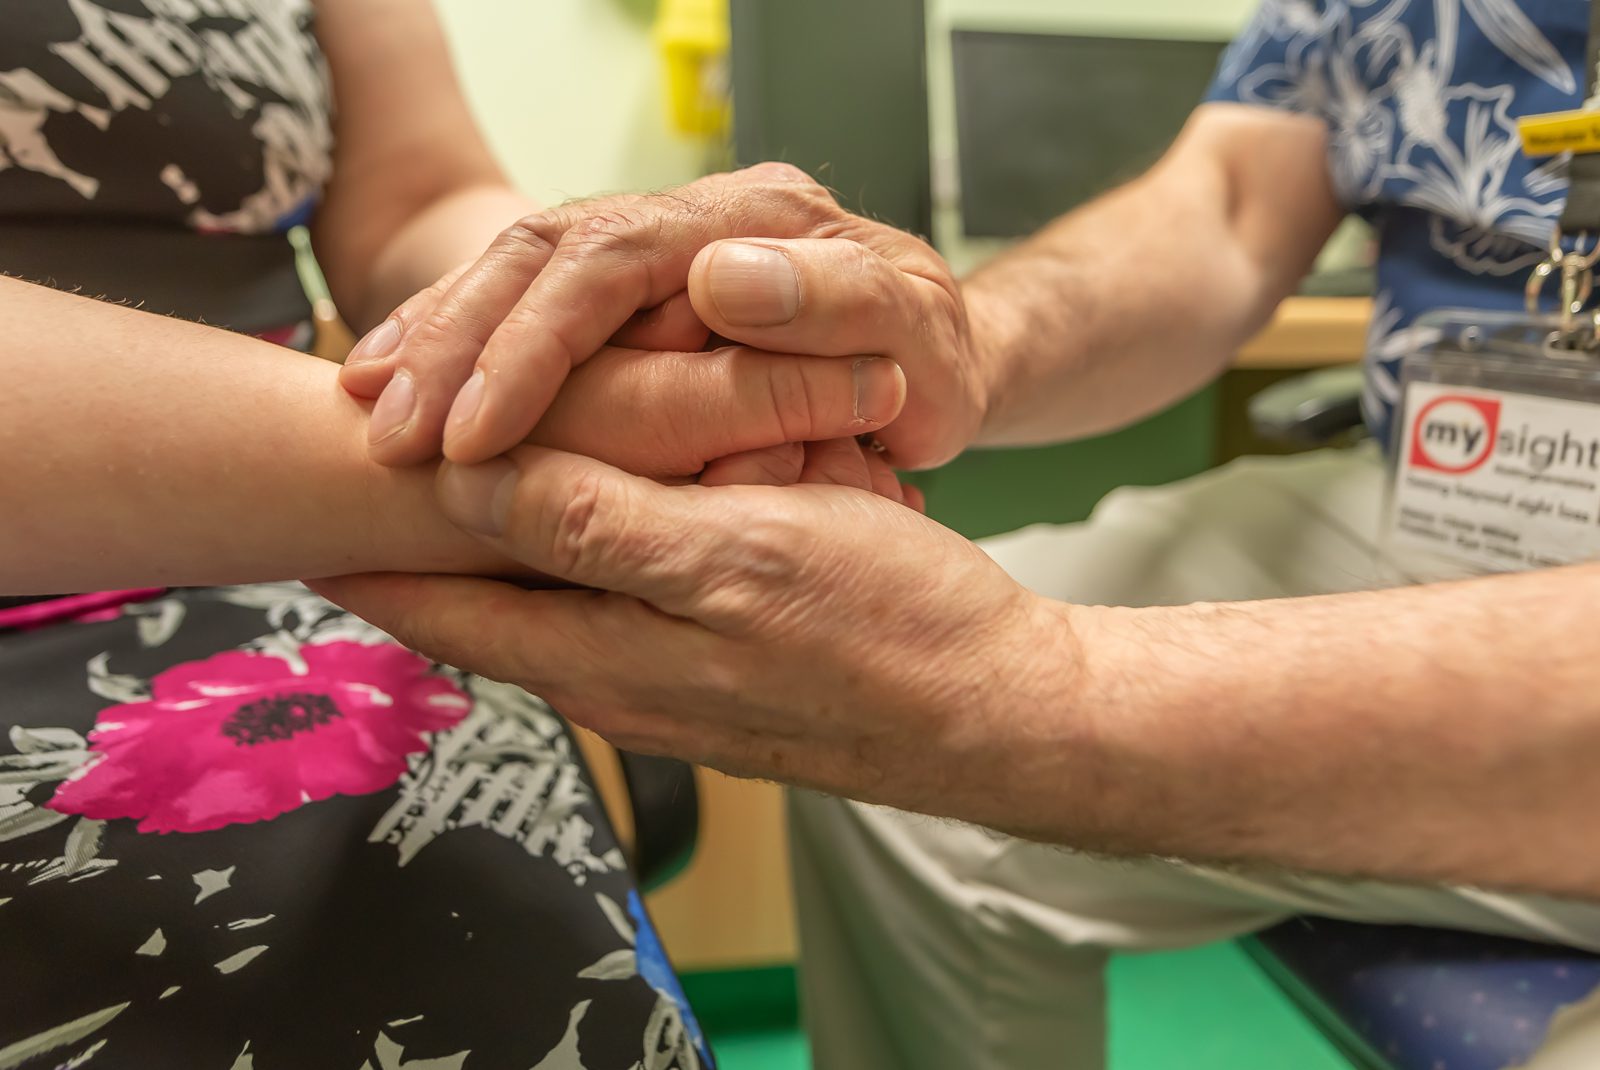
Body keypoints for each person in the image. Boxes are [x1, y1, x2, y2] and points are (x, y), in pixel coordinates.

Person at [317, 0, 1600, 1067]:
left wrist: (1035, 692)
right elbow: (1221, 206)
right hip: (1443, 475)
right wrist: (950, 342)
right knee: (880, 765)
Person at [0, 2, 912, 1065]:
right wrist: (544, 451)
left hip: (305, 577)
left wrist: (596, 310)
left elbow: (416, 198)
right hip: (311, 517)